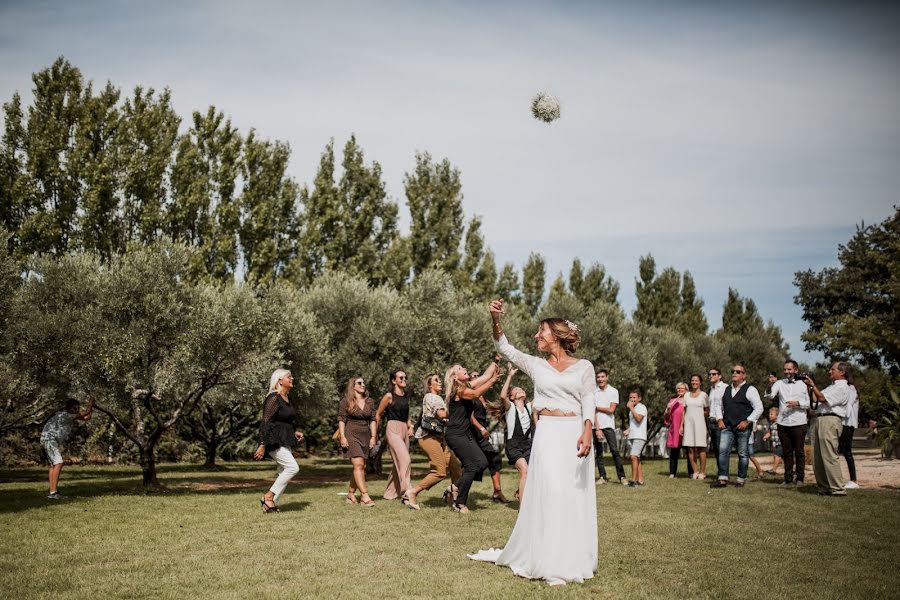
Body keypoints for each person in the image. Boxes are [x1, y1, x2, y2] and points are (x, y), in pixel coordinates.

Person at [469, 299, 597, 586]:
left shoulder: (584, 367)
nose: (537, 336)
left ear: (557, 335)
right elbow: (504, 347)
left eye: (541, 331)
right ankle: (548, 559)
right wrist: (495, 318)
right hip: (548, 434)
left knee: (571, 494)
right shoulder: (536, 365)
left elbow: (589, 399)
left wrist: (587, 429)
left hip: (574, 431)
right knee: (551, 491)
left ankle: (570, 557)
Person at [444, 360, 501, 513]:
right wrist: (494, 380)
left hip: (465, 433)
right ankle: (460, 503)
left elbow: (485, 375)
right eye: (460, 368)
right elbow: (476, 393)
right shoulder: (459, 390)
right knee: (471, 466)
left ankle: (454, 487)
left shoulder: (467, 386)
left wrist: (496, 359)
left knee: (482, 462)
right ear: (455, 377)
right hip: (455, 434)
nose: (464, 368)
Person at [254, 369, 304, 512]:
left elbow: (283, 421)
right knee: (292, 468)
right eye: (289, 377)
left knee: (284, 470)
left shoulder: (287, 398)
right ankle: (268, 497)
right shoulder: (274, 397)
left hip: (284, 439)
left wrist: (294, 433)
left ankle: (270, 504)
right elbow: (266, 422)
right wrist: (262, 444)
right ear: (280, 380)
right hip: (273, 440)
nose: (292, 378)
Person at [803, 362, 852, 496]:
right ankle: (824, 487)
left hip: (830, 420)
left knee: (829, 454)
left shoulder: (843, 388)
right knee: (817, 456)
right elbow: (815, 399)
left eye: (833, 369)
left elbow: (822, 398)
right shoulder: (832, 387)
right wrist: (809, 386)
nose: (830, 371)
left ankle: (837, 488)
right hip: (820, 419)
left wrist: (813, 385)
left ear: (842, 372)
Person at [711, 364, 763, 489]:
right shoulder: (725, 389)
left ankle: (740, 479)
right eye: (733, 371)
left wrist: (748, 421)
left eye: (738, 372)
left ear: (743, 375)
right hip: (727, 426)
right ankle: (722, 479)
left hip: (743, 427)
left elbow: (759, 408)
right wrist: (719, 419)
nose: (734, 373)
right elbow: (718, 405)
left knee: (743, 454)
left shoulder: (750, 389)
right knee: (723, 451)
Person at [767, 360, 811, 486]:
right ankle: (787, 479)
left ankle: (800, 479)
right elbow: (770, 396)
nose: (786, 372)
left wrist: (797, 403)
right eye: (785, 369)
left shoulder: (804, 384)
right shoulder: (779, 383)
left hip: (799, 422)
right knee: (787, 452)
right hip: (783, 423)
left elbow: (810, 404)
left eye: (789, 369)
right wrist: (770, 384)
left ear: (796, 370)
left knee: (799, 452)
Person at [40, 397, 94, 499]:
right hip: (49, 439)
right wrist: (91, 402)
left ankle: (52, 492)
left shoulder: (69, 415)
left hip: (48, 439)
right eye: (74, 408)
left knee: (53, 465)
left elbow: (87, 418)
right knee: (59, 463)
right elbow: (86, 413)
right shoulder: (65, 415)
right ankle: (53, 493)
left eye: (78, 408)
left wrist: (92, 408)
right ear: (68, 408)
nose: (77, 411)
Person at [375, 368, 414, 501]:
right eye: (401, 378)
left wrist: (411, 427)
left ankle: (390, 493)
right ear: (394, 380)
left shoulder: (406, 397)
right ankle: (407, 492)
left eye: (405, 377)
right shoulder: (389, 396)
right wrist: (374, 434)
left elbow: (407, 416)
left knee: (399, 462)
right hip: (393, 428)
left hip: (404, 428)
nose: (404, 380)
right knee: (405, 459)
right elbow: (378, 414)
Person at [470, 369, 508, 503]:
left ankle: (497, 491)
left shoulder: (482, 397)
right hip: (473, 431)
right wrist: (480, 428)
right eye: (473, 376)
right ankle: (456, 489)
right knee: (471, 463)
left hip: (483, 432)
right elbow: (470, 417)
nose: (476, 378)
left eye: (477, 376)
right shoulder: (470, 396)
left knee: (494, 458)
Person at [338, 376, 377, 507]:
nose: (363, 385)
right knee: (358, 464)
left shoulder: (370, 401)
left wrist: (373, 436)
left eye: (363, 383)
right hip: (350, 434)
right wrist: (342, 436)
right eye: (359, 383)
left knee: (360, 466)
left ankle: (350, 493)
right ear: (352, 386)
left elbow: (373, 420)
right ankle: (365, 496)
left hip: (365, 435)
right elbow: (342, 420)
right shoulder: (345, 401)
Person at [499, 363, 533, 502]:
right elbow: (502, 397)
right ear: (512, 397)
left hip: (528, 445)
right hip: (514, 446)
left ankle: (520, 492)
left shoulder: (529, 408)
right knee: (525, 471)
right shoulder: (511, 408)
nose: (520, 390)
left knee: (534, 474)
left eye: (521, 389)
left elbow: (543, 394)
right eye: (516, 390)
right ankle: (523, 509)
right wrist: (510, 376)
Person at [593, 368, 626, 485]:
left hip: (608, 425)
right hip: (595, 426)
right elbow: (592, 412)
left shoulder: (613, 391)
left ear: (607, 377)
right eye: (598, 377)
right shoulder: (593, 391)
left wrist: (596, 407)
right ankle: (602, 476)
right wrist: (597, 429)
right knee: (599, 452)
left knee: (614, 451)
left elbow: (611, 410)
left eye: (602, 377)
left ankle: (622, 477)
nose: (600, 379)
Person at [682, 374, 709, 479]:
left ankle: (702, 472)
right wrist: (682, 426)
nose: (694, 382)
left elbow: (707, 411)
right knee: (690, 449)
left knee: (701, 448)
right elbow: (684, 412)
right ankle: (695, 471)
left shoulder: (704, 395)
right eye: (692, 380)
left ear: (700, 382)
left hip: (700, 424)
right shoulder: (686, 395)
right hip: (688, 425)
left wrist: (699, 414)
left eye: (696, 380)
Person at [664, 383, 692, 478]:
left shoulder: (689, 401)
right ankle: (672, 472)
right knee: (674, 452)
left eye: (682, 388)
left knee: (689, 451)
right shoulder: (672, 401)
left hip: (687, 428)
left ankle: (691, 472)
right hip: (675, 429)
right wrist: (667, 409)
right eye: (678, 388)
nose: (680, 390)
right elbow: (667, 418)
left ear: (686, 390)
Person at [625, 389, 648, 487]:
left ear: (639, 398)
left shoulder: (641, 407)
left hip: (639, 436)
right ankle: (640, 480)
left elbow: (639, 419)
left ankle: (633, 481)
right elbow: (634, 424)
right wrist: (628, 430)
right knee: (636, 458)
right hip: (632, 436)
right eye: (630, 397)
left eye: (634, 397)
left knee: (633, 457)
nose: (632, 399)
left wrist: (631, 408)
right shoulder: (633, 409)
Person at [840, 383, 860, 489]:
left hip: (848, 423)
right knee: (840, 451)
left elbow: (848, 406)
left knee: (847, 452)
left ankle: (853, 480)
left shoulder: (851, 388)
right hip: (842, 423)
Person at [707, 368, 727, 457]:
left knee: (721, 448)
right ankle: (721, 470)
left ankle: (723, 470)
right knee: (715, 447)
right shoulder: (711, 389)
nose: (711, 376)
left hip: (720, 421)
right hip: (711, 421)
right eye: (710, 374)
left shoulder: (725, 387)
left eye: (714, 374)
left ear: (719, 376)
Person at [762, 406, 783, 475]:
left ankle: (774, 469)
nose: (769, 415)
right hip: (775, 443)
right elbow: (770, 432)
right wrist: (766, 436)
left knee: (777, 455)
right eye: (769, 414)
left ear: (777, 416)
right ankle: (791, 471)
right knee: (778, 456)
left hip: (781, 442)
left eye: (771, 414)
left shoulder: (780, 424)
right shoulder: (771, 424)